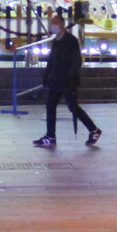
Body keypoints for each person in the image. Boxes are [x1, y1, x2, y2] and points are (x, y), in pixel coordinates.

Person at [35, 10, 100, 148]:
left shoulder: (70, 40)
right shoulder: (55, 41)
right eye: (52, 24)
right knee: (50, 106)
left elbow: (76, 61)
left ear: (62, 25)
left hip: (67, 81)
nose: (53, 26)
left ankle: (94, 130)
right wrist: (46, 76)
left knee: (73, 107)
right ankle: (50, 135)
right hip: (55, 80)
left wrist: (70, 78)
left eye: (55, 24)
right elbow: (52, 61)